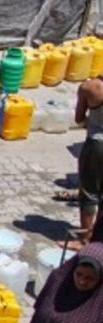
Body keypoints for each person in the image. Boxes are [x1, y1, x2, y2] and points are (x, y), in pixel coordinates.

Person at [71, 76, 103, 243]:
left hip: (97, 145)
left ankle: (85, 238)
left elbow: (79, 119)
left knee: (89, 193)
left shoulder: (90, 87)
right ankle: (99, 236)